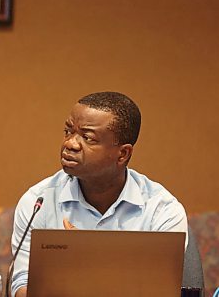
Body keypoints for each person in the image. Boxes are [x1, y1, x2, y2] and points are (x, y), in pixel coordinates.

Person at [11, 91, 188, 297]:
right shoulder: (38, 202)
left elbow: (160, 292)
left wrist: (87, 262)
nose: (70, 144)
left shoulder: (161, 210)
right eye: (68, 132)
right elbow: (21, 285)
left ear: (123, 154)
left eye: (87, 137)